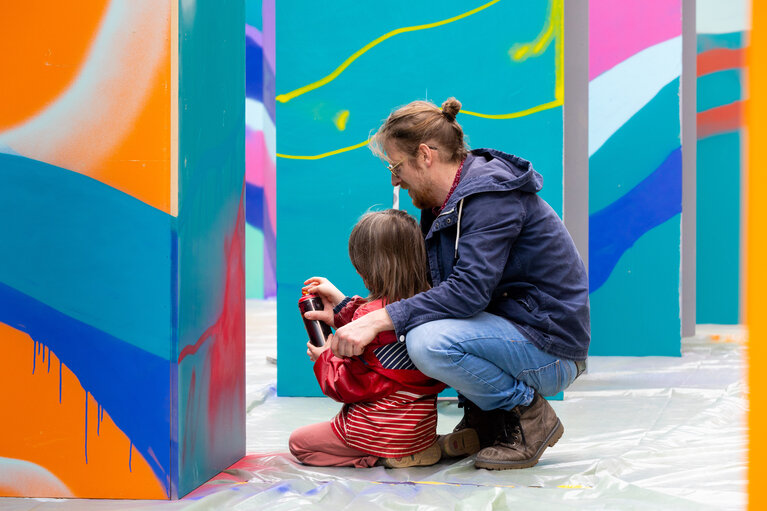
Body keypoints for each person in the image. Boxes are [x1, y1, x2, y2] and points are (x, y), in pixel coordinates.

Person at [308, 97, 590, 470]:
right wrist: (348, 309)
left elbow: (467, 294)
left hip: (549, 347)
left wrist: (374, 320)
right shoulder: (440, 207)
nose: (394, 179)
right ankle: (488, 419)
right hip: (508, 335)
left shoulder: (490, 197)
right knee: (415, 326)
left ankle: (527, 416)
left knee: (427, 341)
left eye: (396, 165)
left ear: (425, 155)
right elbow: (430, 298)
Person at [289, 209, 466, 469]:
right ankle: (429, 446)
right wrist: (341, 306)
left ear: (369, 271)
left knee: (299, 443)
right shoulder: (427, 307)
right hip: (419, 427)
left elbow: (347, 386)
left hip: (374, 431)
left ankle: (383, 456)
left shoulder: (369, 317)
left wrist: (325, 357)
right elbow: (379, 332)